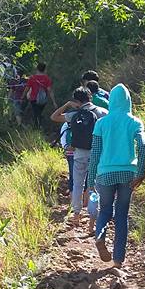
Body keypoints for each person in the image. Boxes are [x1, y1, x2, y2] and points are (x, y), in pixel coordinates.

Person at [87, 84, 145, 269]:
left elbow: (95, 153)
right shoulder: (135, 122)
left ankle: (100, 235)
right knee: (121, 214)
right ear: (128, 101)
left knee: (105, 210)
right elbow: (144, 146)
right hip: (128, 174)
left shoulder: (101, 123)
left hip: (104, 174)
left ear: (111, 101)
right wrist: (141, 172)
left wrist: (90, 181)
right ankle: (118, 259)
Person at [51, 87, 108, 227]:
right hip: (98, 154)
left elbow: (54, 117)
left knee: (78, 184)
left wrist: (68, 105)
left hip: (79, 154)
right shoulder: (102, 112)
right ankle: (92, 219)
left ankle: (76, 215)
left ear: (76, 100)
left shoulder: (74, 114)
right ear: (90, 97)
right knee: (94, 185)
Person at [23, 62, 55, 127]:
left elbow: (27, 88)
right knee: (39, 113)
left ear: (37, 69)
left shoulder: (32, 78)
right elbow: (50, 90)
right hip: (43, 99)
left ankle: (36, 127)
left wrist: (22, 96)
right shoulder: (47, 78)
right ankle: (38, 126)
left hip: (33, 99)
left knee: (36, 113)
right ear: (45, 69)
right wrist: (54, 101)